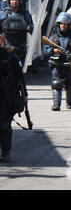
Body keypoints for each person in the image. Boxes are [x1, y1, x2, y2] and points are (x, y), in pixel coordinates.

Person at [44, 12, 71, 111]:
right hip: (57, 65)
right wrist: (53, 51)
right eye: (61, 24)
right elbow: (45, 51)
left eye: (65, 24)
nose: (63, 26)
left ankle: (70, 102)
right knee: (56, 84)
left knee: (70, 85)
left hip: (69, 66)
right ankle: (56, 104)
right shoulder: (53, 38)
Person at [0, 34, 28, 163]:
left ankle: (6, 152)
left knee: (4, 125)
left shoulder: (11, 57)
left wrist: (25, 95)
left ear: (3, 42)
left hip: (7, 98)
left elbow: (20, 78)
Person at [0, 0, 33, 65]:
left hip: (21, 43)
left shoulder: (25, 14)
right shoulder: (2, 14)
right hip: (7, 42)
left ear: (20, 1)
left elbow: (31, 27)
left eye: (16, 0)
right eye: (12, 0)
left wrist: (30, 28)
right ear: (9, 1)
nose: (14, 2)